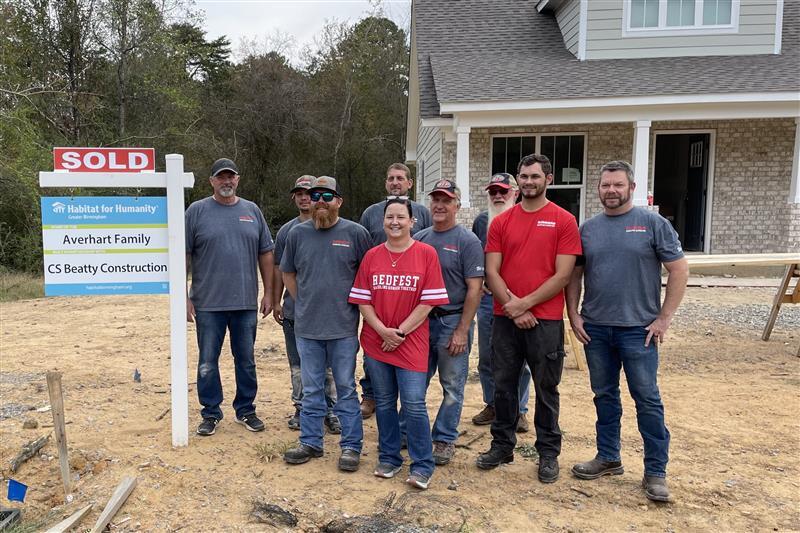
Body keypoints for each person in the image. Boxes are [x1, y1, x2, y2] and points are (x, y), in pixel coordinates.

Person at [566, 160, 689, 502]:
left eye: (618, 185)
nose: (611, 191)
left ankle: (655, 472)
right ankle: (608, 457)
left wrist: (664, 317)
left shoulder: (652, 223)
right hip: (597, 330)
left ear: (631, 188)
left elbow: (678, 270)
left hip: (639, 331)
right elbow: (575, 275)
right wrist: (573, 314)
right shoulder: (588, 229)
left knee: (647, 399)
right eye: (606, 185)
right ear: (599, 188)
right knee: (604, 396)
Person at [476, 154, 581, 484]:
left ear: (548, 179)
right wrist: (512, 306)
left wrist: (526, 306)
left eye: (535, 176)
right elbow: (491, 270)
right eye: (524, 176)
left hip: (545, 320)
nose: (529, 181)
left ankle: (548, 452)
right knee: (503, 385)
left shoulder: (564, 221)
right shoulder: (501, 223)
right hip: (505, 318)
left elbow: (563, 275)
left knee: (546, 388)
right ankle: (502, 445)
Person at [348, 197, 448, 490]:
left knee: (414, 404)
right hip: (377, 341)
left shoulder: (426, 254)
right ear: (383, 221)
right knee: (385, 401)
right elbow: (362, 300)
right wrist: (382, 331)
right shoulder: (372, 256)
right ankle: (390, 456)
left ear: (412, 221)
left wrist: (399, 333)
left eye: (401, 217)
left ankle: (422, 464)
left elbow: (428, 302)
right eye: (390, 217)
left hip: (411, 342)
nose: (395, 222)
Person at [280, 176, 371, 472]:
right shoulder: (297, 234)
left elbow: (365, 275)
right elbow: (288, 273)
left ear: (339, 201)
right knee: (311, 387)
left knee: (345, 387)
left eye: (327, 195)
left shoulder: (356, 233)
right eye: (315, 195)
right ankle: (311, 441)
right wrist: (303, 300)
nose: (320, 200)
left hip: (343, 329)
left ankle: (351, 446)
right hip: (307, 329)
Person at [185, 157, 274, 437]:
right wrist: (183, 297)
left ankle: (246, 409)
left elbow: (266, 253)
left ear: (237, 179)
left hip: (245, 302)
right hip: (207, 303)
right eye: (220, 177)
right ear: (211, 181)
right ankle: (211, 412)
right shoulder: (196, 211)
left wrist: (270, 291)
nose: (226, 181)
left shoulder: (252, 210)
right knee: (207, 361)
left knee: (245, 359)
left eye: (231, 177)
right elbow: (184, 254)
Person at [414, 180, 484, 465]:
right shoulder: (419, 238)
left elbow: (474, 288)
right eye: (436, 200)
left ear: (457, 205)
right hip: (420, 322)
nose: (440, 205)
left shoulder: (467, 241)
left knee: (452, 386)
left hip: (452, 320)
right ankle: (410, 430)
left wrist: (462, 330)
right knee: (414, 383)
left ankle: (443, 438)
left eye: (446, 200)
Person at [357, 163, 433, 418]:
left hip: (412, 294)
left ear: (410, 183)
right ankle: (370, 396)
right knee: (374, 356)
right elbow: (363, 250)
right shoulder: (371, 213)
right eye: (391, 178)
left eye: (400, 178)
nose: (395, 182)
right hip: (380, 295)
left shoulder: (423, 212)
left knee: (412, 381)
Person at [272, 175, 340, 434]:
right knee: (299, 365)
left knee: (330, 367)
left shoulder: (338, 229)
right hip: (295, 311)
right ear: (295, 197)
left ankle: (331, 410)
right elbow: (281, 268)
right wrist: (278, 300)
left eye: (310, 192)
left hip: (330, 313)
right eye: (300, 192)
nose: (305, 197)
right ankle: (301, 408)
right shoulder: (288, 231)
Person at [470, 173, 532, 433]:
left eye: (503, 192)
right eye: (493, 192)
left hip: (520, 300)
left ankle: (519, 410)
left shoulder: (526, 220)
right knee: (488, 356)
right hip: (488, 300)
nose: (498, 196)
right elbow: (475, 258)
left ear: (515, 194)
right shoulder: (482, 222)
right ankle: (493, 403)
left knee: (522, 360)